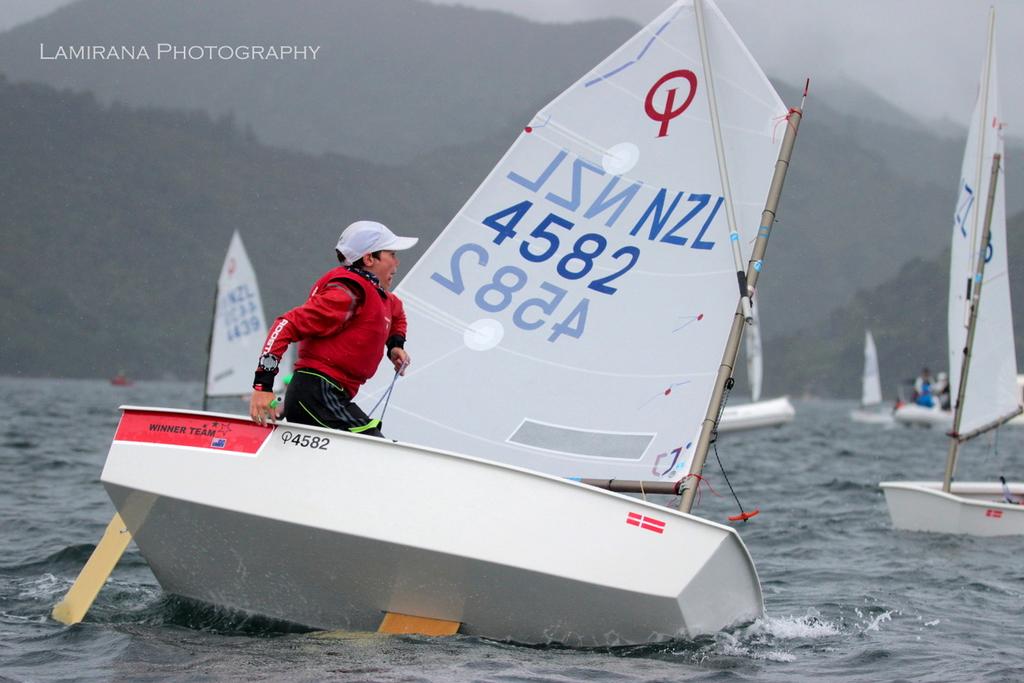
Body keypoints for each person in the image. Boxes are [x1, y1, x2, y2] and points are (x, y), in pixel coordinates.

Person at [248, 220, 418, 436]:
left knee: (371, 445)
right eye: (392, 255)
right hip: (316, 393)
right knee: (373, 444)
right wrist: (263, 386)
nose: (397, 263)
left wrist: (395, 345)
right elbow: (285, 325)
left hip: (333, 397)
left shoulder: (384, 298)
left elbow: (397, 316)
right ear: (369, 258)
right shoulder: (348, 293)